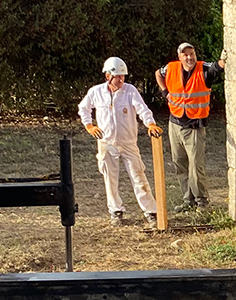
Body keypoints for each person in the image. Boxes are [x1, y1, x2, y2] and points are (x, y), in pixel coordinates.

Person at [78, 57, 162, 229]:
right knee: (110, 178)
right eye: (118, 77)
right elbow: (83, 108)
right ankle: (115, 210)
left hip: (128, 142)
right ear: (108, 76)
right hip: (106, 142)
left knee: (138, 176)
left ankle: (151, 212)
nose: (121, 80)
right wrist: (89, 126)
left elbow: (142, 109)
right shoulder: (96, 92)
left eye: (123, 76)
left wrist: (150, 123)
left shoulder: (130, 91)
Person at [155, 42, 225, 210]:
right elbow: (158, 73)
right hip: (175, 124)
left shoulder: (204, 69)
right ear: (179, 57)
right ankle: (188, 201)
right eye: (185, 55)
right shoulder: (171, 68)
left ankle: (202, 202)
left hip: (194, 126)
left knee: (196, 166)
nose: (189, 57)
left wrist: (225, 57)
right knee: (179, 163)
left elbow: (218, 66)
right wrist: (165, 92)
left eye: (191, 54)